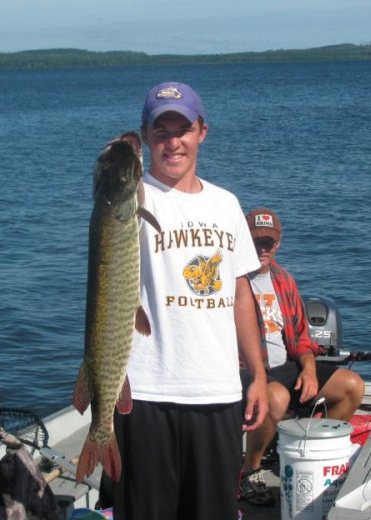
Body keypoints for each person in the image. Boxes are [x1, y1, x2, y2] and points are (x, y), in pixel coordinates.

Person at [99, 82, 268, 520]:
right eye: (161, 131)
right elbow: (108, 181)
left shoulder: (226, 204)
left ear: (202, 132)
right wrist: (118, 154)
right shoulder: (131, 197)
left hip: (217, 393)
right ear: (146, 137)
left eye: (183, 129)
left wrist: (258, 374)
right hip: (146, 394)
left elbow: (240, 293)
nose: (173, 142)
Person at [236, 207, 365, 507]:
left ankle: (306, 454)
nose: (262, 248)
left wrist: (308, 369)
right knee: (277, 398)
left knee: (351, 386)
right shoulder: (232, 277)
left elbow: (302, 340)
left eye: (268, 242)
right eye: (256, 241)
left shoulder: (283, 279)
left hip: (286, 366)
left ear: (278, 243)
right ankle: (248, 471)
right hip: (247, 370)